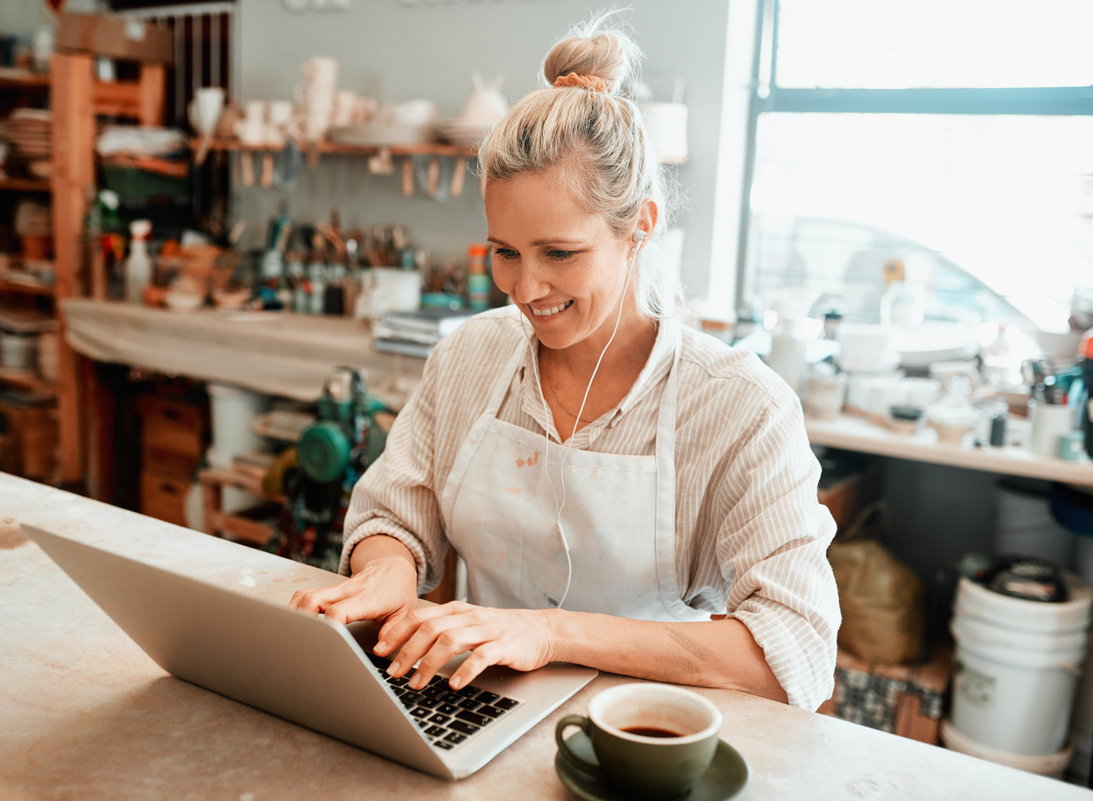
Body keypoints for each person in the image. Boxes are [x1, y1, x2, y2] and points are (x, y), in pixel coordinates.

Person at [291, 11, 841, 712]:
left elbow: (794, 647)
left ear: (639, 227)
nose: (525, 289)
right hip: (474, 706)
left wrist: (550, 633)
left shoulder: (739, 406)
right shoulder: (469, 355)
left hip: (648, 734)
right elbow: (396, 517)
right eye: (504, 252)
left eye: (559, 253)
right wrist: (386, 572)